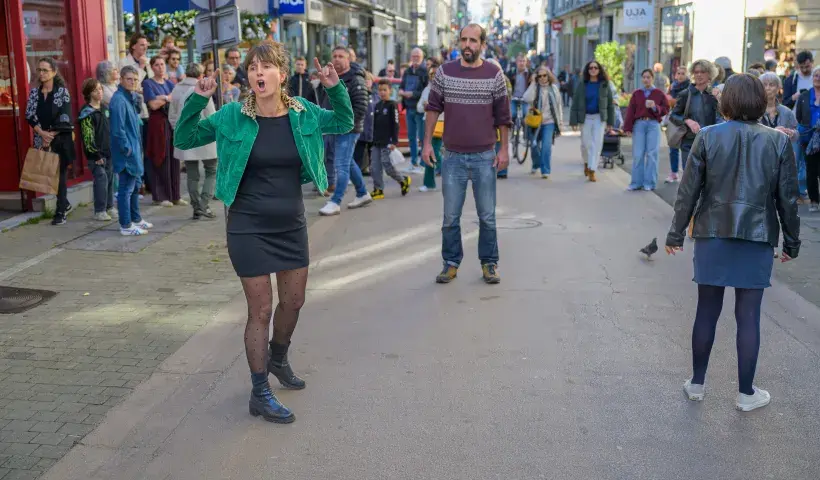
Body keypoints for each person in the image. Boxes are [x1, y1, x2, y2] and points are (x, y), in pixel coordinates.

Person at [174, 42, 354, 424]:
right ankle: (260, 391)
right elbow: (184, 139)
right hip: (247, 226)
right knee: (261, 308)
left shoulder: (304, 114)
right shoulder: (231, 116)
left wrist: (336, 88)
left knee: (295, 302)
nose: (258, 72)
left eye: (266, 66)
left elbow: (344, 122)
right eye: (253, 67)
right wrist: (196, 99)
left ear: (281, 74)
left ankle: (278, 358)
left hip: (290, 224)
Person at [666, 73, 800, 412]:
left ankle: (697, 383)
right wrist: (792, 242)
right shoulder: (778, 142)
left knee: (707, 310)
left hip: (712, 232)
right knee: (748, 316)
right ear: (760, 100)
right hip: (756, 236)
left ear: (725, 101)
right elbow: (787, 197)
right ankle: (745, 393)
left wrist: (675, 233)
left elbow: (688, 192)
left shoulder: (708, 137)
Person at [422, 23, 511, 285]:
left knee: (487, 216)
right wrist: (427, 143)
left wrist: (504, 149)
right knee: (450, 216)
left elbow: (503, 116)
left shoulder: (494, 74)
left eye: (473, 40)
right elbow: (432, 109)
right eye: (464, 40)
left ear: (482, 44)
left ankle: (489, 263)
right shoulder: (445, 72)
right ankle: (450, 263)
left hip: (484, 156)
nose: (468, 45)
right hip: (452, 157)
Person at [318, 46, 373, 216]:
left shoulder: (355, 80)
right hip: (334, 128)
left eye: (341, 56)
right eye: (334, 56)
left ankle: (335, 201)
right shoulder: (332, 78)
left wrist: (345, 124)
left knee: (340, 164)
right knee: (347, 162)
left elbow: (361, 106)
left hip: (348, 129)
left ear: (349, 59)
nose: (337, 59)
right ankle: (363, 193)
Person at [24, 58, 75, 226]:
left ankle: (60, 212)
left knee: (60, 175)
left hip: (59, 138)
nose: (42, 73)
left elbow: (65, 116)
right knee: (49, 175)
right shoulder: (34, 93)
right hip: (41, 137)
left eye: (45, 70)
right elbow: (29, 115)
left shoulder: (62, 92)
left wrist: (50, 135)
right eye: (39, 70)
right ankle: (65, 203)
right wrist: (41, 133)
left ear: (54, 72)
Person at [169, 63, 218, 220]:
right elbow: (211, 116)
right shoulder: (202, 89)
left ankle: (196, 207)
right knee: (211, 171)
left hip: (186, 139)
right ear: (200, 75)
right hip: (204, 138)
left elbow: (172, 116)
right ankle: (204, 205)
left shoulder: (176, 89)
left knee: (192, 175)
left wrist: (179, 132)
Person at [110, 66, 153, 236]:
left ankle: (136, 219)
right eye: (129, 79)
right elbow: (118, 130)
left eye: (135, 80)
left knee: (135, 187)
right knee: (126, 189)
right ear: (121, 79)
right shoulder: (119, 100)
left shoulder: (129, 97)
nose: (133, 82)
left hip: (134, 150)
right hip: (127, 153)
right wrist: (127, 149)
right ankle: (126, 225)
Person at [143, 56, 186, 207]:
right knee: (160, 157)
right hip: (157, 124)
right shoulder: (148, 83)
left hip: (171, 122)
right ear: (152, 67)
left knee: (174, 158)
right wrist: (167, 98)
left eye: (162, 64)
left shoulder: (169, 83)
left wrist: (164, 98)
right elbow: (153, 105)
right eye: (157, 65)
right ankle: (161, 196)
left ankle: (175, 195)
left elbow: (178, 100)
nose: (160, 67)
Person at [669, 59, 720, 172]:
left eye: (702, 72)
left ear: (710, 74)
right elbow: (673, 116)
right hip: (689, 143)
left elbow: (722, 117)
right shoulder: (685, 94)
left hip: (709, 144)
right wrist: (687, 120)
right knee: (689, 179)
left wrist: (719, 100)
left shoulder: (714, 95)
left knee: (708, 180)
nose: (699, 75)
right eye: (696, 72)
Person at [624, 69, 670, 191]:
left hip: (653, 124)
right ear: (641, 79)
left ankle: (649, 183)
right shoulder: (637, 94)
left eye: (648, 77)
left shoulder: (659, 93)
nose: (646, 79)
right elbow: (630, 111)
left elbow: (666, 109)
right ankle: (636, 182)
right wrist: (627, 127)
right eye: (644, 77)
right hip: (639, 124)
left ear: (652, 78)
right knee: (638, 154)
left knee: (652, 154)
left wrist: (655, 107)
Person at [569, 60, 615, 183]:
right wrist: (573, 121)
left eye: (595, 68)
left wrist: (610, 121)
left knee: (597, 144)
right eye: (591, 68)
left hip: (599, 118)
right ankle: (586, 162)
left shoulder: (604, 85)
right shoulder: (582, 84)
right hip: (586, 118)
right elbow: (575, 102)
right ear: (587, 70)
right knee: (585, 144)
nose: (593, 70)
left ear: (599, 70)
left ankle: (592, 170)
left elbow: (610, 104)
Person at [79, 78, 115, 221]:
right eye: (95, 90)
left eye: (100, 89)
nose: (99, 92)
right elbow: (88, 137)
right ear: (88, 93)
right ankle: (99, 210)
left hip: (109, 152)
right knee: (101, 180)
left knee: (110, 179)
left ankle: (110, 207)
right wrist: (95, 154)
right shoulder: (87, 113)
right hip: (97, 155)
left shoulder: (105, 109)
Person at [370, 78, 411, 199]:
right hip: (376, 142)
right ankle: (378, 189)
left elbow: (396, 124)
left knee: (387, 166)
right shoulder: (377, 105)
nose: (382, 92)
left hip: (387, 142)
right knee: (374, 167)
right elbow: (375, 124)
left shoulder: (392, 105)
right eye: (380, 90)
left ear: (390, 91)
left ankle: (403, 180)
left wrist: (394, 141)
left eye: (385, 90)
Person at [522, 66, 562, 179]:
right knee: (534, 146)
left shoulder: (554, 88)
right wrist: (533, 83)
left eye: (544, 75)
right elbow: (526, 98)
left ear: (548, 76)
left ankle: (545, 170)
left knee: (546, 146)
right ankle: (536, 164)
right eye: (539, 76)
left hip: (549, 122)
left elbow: (558, 106)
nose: (542, 78)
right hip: (535, 122)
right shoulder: (535, 88)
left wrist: (560, 122)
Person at [795, 66, 820, 212]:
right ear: (812, 78)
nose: (818, 78)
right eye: (816, 75)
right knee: (811, 170)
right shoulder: (804, 96)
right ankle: (814, 200)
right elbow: (799, 116)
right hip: (809, 138)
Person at [399, 48, 428, 172]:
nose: (415, 58)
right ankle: (413, 162)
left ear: (422, 57)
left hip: (419, 108)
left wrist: (413, 94)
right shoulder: (407, 71)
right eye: (413, 56)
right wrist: (400, 91)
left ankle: (422, 164)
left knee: (422, 137)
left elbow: (426, 90)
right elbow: (402, 85)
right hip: (409, 107)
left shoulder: (425, 71)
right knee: (411, 136)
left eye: (417, 56)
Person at [418, 61, 443, 191]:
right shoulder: (427, 89)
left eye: (436, 73)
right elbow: (419, 107)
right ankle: (429, 183)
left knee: (435, 152)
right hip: (426, 123)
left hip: (440, 124)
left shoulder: (445, 89)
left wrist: (432, 107)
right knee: (428, 151)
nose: (433, 76)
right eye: (431, 73)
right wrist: (425, 105)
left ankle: (448, 169)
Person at [665, 66, 690, 183]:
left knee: (686, 148)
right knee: (673, 146)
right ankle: (674, 172)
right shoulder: (673, 87)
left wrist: (673, 101)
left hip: (686, 120)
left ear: (687, 75)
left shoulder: (690, 87)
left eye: (682, 73)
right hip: (674, 119)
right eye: (678, 73)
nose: (680, 76)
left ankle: (686, 174)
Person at [354, 71, 377, 175]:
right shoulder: (359, 95)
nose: (367, 83)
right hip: (362, 131)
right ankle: (356, 172)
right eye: (365, 81)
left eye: (369, 81)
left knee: (372, 153)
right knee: (358, 154)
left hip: (373, 131)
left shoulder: (376, 96)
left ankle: (371, 169)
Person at [507, 55, 532, 127]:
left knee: (526, 114)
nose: (522, 63)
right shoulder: (511, 72)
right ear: (516, 62)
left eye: (523, 61)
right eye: (520, 61)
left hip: (525, 99)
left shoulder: (530, 73)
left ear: (526, 62)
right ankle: (513, 130)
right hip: (513, 98)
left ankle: (526, 133)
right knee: (512, 114)